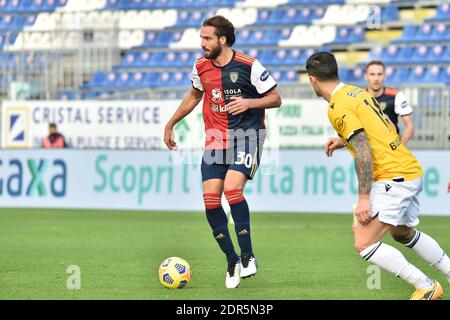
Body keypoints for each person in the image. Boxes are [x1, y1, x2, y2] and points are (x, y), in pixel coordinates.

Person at [306, 51, 450, 300]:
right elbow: (382, 127)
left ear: (313, 80)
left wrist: (364, 198)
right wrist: (343, 140)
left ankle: (426, 286)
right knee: (401, 232)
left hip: (393, 176)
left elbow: (363, 149)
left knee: (364, 242)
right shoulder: (355, 92)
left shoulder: (337, 106)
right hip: (409, 169)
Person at [163, 15, 282, 289]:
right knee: (210, 202)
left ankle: (249, 255)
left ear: (223, 40)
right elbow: (194, 95)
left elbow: (276, 98)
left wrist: (249, 103)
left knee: (233, 190)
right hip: (215, 141)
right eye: (201, 38)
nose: (202, 43)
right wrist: (171, 123)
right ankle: (232, 260)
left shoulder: (248, 65)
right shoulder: (200, 66)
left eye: (207, 38)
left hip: (247, 137)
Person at [365, 60, 414, 144]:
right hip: (367, 149)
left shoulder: (396, 95)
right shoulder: (358, 97)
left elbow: (410, 126)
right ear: (366, 76)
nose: (376, 78)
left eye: (379, 74)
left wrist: (399, 147)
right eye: (372, 74)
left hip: (390, 149)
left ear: (385, 76)